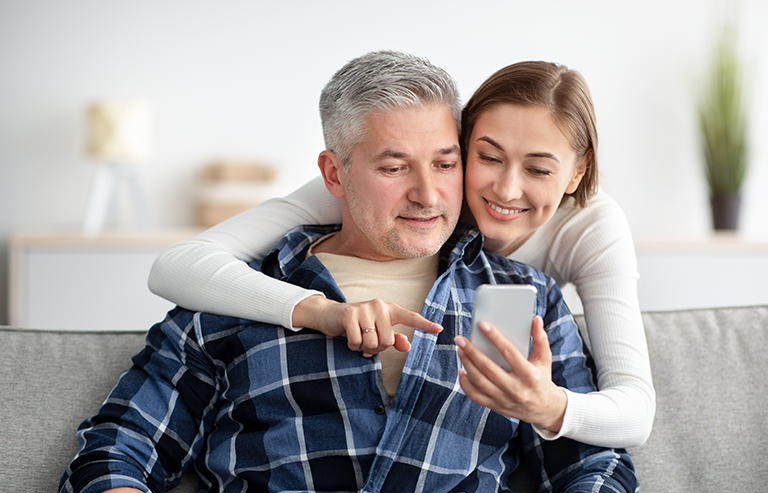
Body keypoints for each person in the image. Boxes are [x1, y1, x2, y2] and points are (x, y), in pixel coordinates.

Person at [58, 51, 638, 493]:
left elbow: (601, 468)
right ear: (334, 174)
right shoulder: (233, 298)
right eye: (393, 167)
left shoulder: (520, 298)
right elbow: (111, 459)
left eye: (444, 162)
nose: (429, 194)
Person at [148, 60, 654, 450]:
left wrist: (548, 406)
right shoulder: (375, 186)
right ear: (462, 142)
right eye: (487, 157)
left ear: (576, 171)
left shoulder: (586, 234)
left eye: (539, 170)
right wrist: (321, 310)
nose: (506, 188)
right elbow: (178, 265)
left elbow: (634, 411)